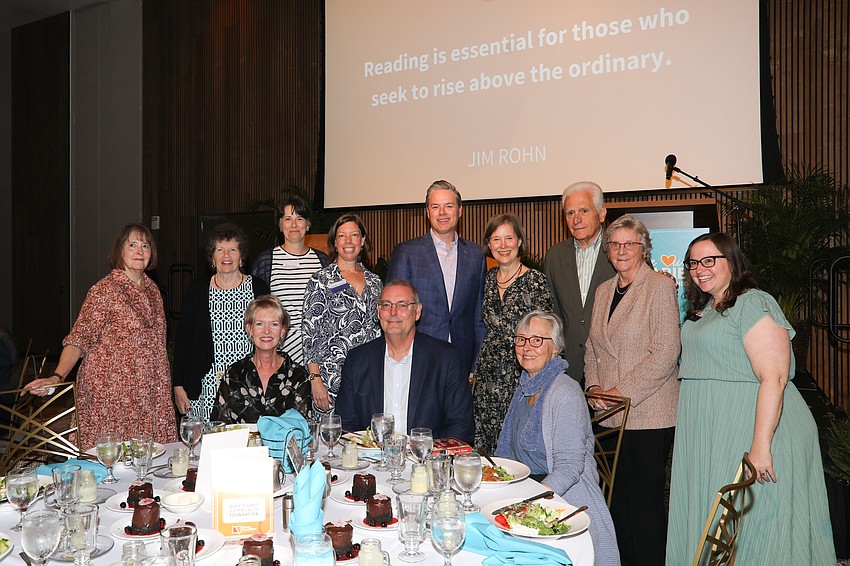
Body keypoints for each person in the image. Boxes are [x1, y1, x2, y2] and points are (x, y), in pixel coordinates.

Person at [666, 233, 836, 565]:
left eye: (709, 260)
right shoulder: (707, 308)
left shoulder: (753, 302)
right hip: (712, 432)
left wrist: (761, 446)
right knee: (721, 526)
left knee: (757, 528)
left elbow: (774, 377)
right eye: (693, 263)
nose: (700, 269)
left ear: (732, 261)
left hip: (756, 429)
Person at [24, 224, 176, 449]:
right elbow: (79, 338)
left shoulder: (153, 291)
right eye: (132, 245)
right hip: (112, 395)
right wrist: (57, 376)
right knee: (111, 464)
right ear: (120, 251)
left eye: (145, 246)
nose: (139, 251)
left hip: (150, 393)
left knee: (149, 462)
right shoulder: (105, 290)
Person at [584, 215, 680, 566]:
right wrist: (593, 385)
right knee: (616, 502)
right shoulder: (604, 290)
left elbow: (666, 353)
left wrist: (615, 394)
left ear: (644, 249)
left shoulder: (658, 286)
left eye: (629, 244)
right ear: (607, 251)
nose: (621, 250)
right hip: (608, 417)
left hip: (647, 415)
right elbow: (593, 349)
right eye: (615, 245)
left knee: (644, 506)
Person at [496, 310, 619, 566]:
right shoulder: (524, 388)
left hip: (560, 498)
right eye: (521, 339)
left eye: (537, 340)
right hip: (524, 489)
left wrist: (528, 500)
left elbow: (569, 467)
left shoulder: (565, 392)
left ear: (555, 348)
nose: (526, 347)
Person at [336, 280, 475, 445]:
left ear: (417, 312)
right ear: (378, 312)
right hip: (372, 463)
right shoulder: (357, 361)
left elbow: (461, 426)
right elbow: (347, 426)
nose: (393, 312)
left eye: (402, 305)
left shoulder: (446, 359)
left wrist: (426, 455)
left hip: (426, 463)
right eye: (387, 305)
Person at [386, 180, 486, 377]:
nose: (442, 213)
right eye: (435, 207)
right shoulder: (407, 252)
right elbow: (393, 313)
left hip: (462, 360)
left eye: (448, 206)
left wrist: (475, 364)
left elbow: (478, 317)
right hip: (416, 359)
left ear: (459, 211)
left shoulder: (475, 254)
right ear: (427, 212)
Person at [172, 223, 269, 421]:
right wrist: (178, 385)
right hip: (205, 385)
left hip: (248, 382)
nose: (227, 256)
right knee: (207, 446)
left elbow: (270, 336)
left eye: (233, 249)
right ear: (212, 257)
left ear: (241, 257)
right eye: (220, 250)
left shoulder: (258, 288)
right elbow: (183, 339)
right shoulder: (198, 290)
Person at [474, 213, 553, 454]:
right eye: (496, 239)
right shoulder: (487, 279)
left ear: (519, 241)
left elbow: (545, 333)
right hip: (487, 375)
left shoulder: (536, 281)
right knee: (485, 442)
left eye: (509, 238)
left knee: (514, 443)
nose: (503, 245)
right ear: (489, 244)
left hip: (520, 373)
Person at [302, 214, 382, 415]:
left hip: (371, 377)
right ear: (335, 243)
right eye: (342, 236)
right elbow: (310, 333)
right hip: (331, 380)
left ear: (362, 241)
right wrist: (315, 380)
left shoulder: (376, 283)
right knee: (331, 442)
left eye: (354, 235)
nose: (348, 241)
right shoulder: (321, 280)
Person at [544, 181, 616, 383]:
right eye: (570, 213)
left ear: (602, 214)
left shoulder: (621, 251)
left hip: (611, 370)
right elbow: (552, 313)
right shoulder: (554, 256)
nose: (576, 219)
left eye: (584, 210)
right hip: (568, 371)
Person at [251, 195, 330, 364]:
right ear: (280, 225)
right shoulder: (266, 261)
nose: (294, 225)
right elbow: (257, 310)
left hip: (317, 354)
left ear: (307, 225)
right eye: (288, 219)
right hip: (278, 354)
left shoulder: (322, 260)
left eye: (299, 219)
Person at [214, 295, 311, 423]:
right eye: (260, 324)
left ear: (282, 330)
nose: (266, 331)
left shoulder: (298, 376)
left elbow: (302, 429)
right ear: (250, 329)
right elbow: (218, 427)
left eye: (274, 324)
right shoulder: (233, 374)